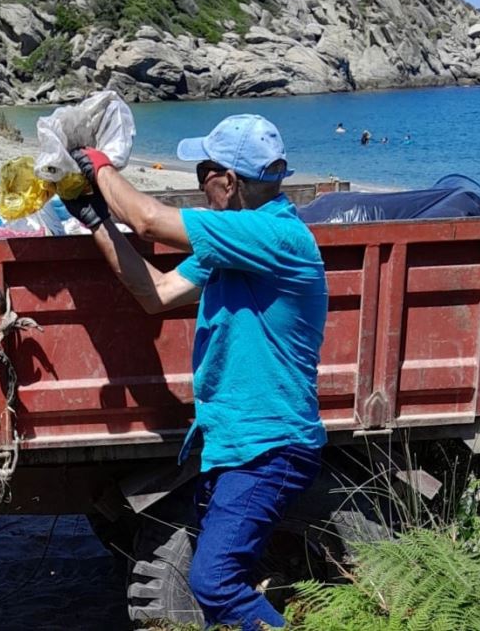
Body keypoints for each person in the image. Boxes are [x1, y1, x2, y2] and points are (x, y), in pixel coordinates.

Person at [63, 114, 327, 630]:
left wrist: (98, 167)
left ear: (229, 181)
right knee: (224, 580)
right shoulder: (236, 248)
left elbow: (148, 220)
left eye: (204, 170)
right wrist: (95, 220)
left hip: (268, 445)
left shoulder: (275, 235)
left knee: (213, 581)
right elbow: (155, 293)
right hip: (236, 443)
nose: (198, 182)